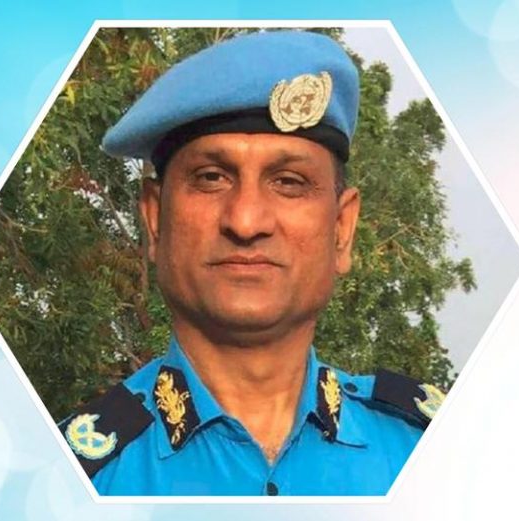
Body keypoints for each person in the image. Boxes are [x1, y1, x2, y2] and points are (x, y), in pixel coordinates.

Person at [60, 29, 445, 496]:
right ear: (155, 218)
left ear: (342, 229)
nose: (246, 221)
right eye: (211, 177)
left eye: (289, 182)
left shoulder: (438, 453)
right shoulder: (68, 477)